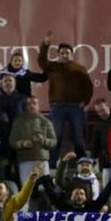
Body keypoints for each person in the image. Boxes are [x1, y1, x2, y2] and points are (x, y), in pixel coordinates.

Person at [37, 34, 94, 164]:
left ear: (71, 54)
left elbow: (88, 87)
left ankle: (83, 161)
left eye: (67, 52)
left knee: (79, 136)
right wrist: (45, 45)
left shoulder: (80, 68)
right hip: (58, 107)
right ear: (58, 54)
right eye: (62, 53)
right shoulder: (52, 67)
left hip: (76, 107)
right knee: (56, 135)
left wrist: (85, 102)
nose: (64, 55)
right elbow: (41, 61)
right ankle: (52, 163)